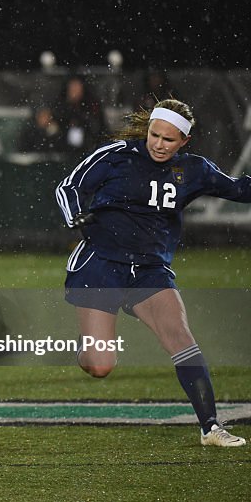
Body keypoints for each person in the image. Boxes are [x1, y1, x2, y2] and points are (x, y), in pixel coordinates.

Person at [55, 98, 250, 447]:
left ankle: (210, 427)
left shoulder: (195, 169)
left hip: (150, 269)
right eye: (155, 135)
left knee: (180, 337)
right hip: (102, 264)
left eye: (169, 139)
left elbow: (238, 189)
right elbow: (68, 187)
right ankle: (84, 349)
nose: (159, 144)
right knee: (100, 365)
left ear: (185, 141)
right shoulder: (116, 155)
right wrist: (77, 218)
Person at [53, 74, 106, 153]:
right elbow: (57, 125)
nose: (74, 90)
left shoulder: (91, 104)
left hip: (88, 148)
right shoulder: (61, 106)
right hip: (64, 150)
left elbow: (97, 126)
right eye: (72, 87)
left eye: (77, 87)